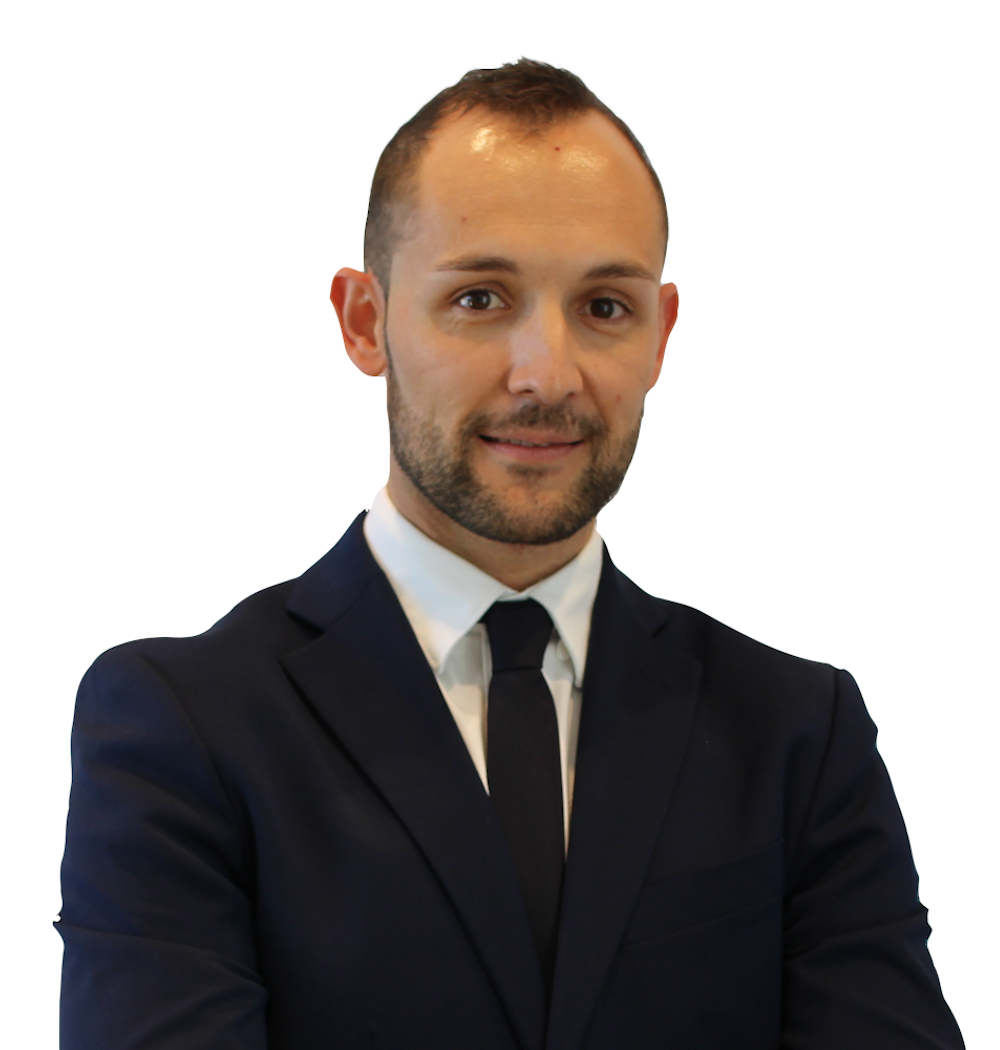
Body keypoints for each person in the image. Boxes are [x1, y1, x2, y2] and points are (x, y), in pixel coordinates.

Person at [57, 59, 963, 1049]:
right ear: (366, 322)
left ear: (660, 337)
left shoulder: (796, 735)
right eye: (482, 298)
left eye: (604, 307)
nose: (547, 375)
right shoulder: (181, 729)